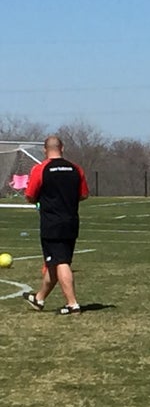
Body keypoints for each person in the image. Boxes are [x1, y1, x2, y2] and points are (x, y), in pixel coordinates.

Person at [22, 135, 89, 315]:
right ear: (62, 148)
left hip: (52, 223)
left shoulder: (40, 169)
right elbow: (84, 194)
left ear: (45, 150)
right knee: (54, 262)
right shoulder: (75, 169)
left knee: (61, 262)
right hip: (71, 221)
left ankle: (72, 304)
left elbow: (30, 195)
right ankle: (39, 298)